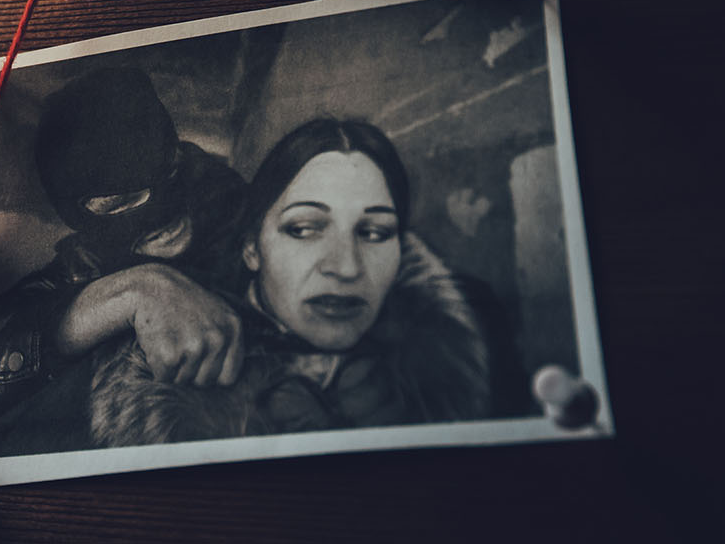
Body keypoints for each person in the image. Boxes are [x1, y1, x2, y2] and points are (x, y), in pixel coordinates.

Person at [89, 117, 492, 446]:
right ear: (252, 248)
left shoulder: (451, 361)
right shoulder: (165, 403)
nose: (346, 267)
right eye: (303, 228)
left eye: (374, 233)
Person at [0, 68, 249, 455]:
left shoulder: (249, 216)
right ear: (77, 216)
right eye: (122, 202)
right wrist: (126, 293)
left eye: (173, 168)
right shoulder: (75, 274)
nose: (161, 207)